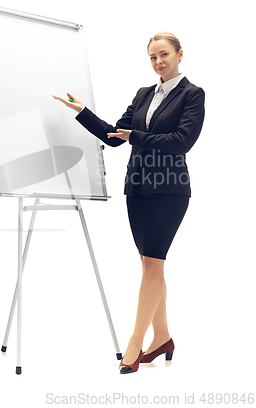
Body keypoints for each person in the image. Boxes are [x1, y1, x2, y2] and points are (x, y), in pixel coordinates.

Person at [52, 32, 205, 374]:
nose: (158, 62)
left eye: (164, 55)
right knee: (152, 264)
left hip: (169, 191)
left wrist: (136, 136)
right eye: (152, 57)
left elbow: (181, 141)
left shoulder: (192, 94)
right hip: (137, 189)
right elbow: (116, 136)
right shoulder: (143, 94)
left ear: (180, 55)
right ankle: (162, 337)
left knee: (152, 264)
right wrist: (82, 112)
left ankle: (134, 344)